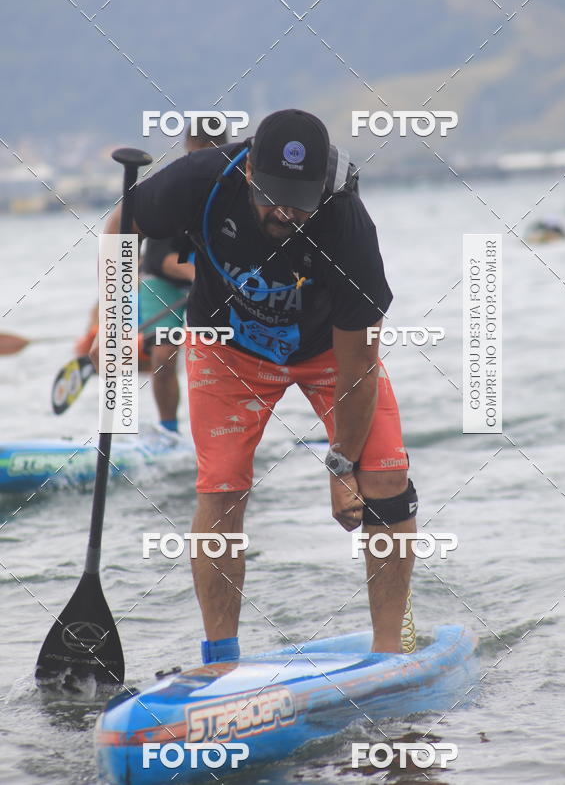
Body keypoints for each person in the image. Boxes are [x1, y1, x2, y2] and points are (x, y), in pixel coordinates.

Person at [92, 109, 416, 661]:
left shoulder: (347, 224)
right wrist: (118, 324)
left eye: (299, 198)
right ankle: (221, 660)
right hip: (228, 348)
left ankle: (391, 656)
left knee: (388, 482)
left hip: (328, 356)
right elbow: (119, 228)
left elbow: (358, 366)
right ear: (247, 172)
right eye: (271, 194)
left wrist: (341, 465)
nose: (284, 210)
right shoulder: (201, 176)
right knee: (220, 492)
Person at [138, 121, 227, 432]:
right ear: (192, 148)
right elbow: (162, 260)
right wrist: (203, 277)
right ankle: (169, 431)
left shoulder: (231, 186)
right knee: (163, 356)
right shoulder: (178, 184)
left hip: (204, 285)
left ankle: (222, 429)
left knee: (226, 358)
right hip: (160, 281)